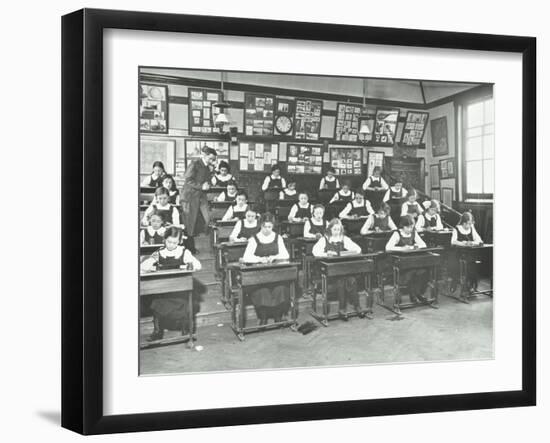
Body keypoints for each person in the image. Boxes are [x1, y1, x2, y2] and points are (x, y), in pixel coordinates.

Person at [140, 227, 206, 341]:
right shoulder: (159, 252)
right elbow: (142, 267)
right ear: (164, 240)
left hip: (180, 291)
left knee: (187, 302)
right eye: (169, 241)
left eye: (174, 242)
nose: (171, 245)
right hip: (163, 290)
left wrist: (188, 264)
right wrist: (151, 264)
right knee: (156, 302)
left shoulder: (184, 252)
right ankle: (157, 331)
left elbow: (198, 265)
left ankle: (186, 330)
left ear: (179, 241)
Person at [242, 213, 291, 325]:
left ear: (272, 226)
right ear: (261, 226)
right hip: (259, 275)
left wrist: (274, 257)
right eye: (265, 227)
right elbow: (246, 257)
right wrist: (260, 259)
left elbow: (285, 254)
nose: (267, 229)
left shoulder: (277, 237)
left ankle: (277, 315)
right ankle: (262, 317)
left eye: (269, 227)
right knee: (262, 291)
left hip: (275, 273)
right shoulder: (254, 239)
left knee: (280, 288)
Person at [312, 218, 363, 318]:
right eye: (334, 229)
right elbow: (315, 252)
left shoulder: (344, 238)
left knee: (352, 280)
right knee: (340, 281)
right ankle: (342, 309)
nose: (337, 232)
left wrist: (347, 253)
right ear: (330, 229)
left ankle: (357, 306)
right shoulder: (324, 239)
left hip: (342, 269)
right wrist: (326, 253)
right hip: (328, 271)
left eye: (339, 229)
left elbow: (358, 249)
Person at [385, 215, 429, 303]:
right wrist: (402, 248)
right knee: (412, 272)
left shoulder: (413, 232)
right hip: (399, 261)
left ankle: (417, 293)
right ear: (403, 226)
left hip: (411, 260)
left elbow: (423, 245)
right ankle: (413, 295)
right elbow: (388, 247)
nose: (410, 229)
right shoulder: (397, 233)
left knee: (422, 271)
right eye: (408, 227)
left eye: (412, 227)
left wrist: (414, 246)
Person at [181, 146, 217, 236]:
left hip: (201, 196)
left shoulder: (208, 167)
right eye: (210, 158)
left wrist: (212, 173)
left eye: (213, 159)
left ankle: (202, 239)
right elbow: (188, 180)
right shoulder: (195, 163)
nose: (212, 161)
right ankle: (190, 244)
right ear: (204, 155)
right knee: (190, 223)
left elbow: (208, 182)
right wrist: (201, 186)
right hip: (190, 196)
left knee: (208, 218)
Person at [450, 212, 484, 293]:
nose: (469, 226)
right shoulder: (456, 229)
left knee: (473, 266)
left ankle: (471, 285)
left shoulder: (471, 227)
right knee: (459, 267)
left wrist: (472, 243)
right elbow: (453, 241)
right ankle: (456, 284)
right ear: (463, 223)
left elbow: (478, 239)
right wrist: (463, 243)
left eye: (471, 223)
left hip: (470, 253)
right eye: (468, 224)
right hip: (459, 253)